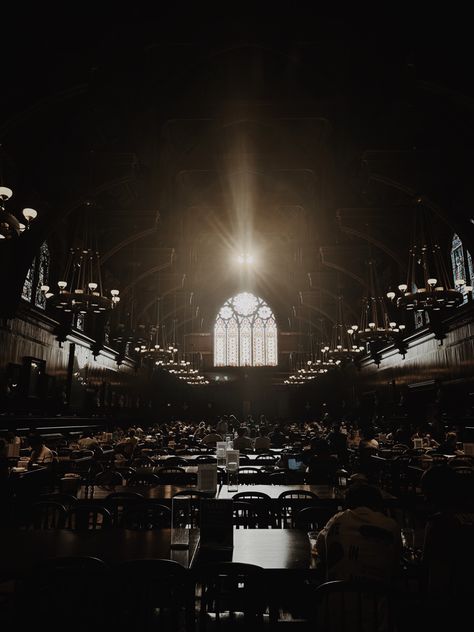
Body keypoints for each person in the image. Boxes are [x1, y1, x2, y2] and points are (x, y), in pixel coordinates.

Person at [316, 483, 401, 583]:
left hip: (336, 594)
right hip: (378, 596)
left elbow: (320, 547)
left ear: (348, 503)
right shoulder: (391, 526)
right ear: (378, 504)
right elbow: (395, 563)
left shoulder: (337, 519)